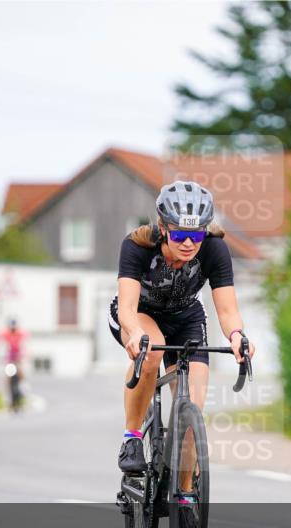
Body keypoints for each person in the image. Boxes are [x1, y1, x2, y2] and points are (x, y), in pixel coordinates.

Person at [108, 180, 256, 507]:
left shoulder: (215, 249)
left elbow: (228, 310)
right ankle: (132, 438)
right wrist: (134, 334)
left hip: (186, 317)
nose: (189, 243)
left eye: (197, 235)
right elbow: (128, 309)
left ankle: (184, 496)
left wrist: (236, 337)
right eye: (179, 235)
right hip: (140, 314)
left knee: (192, 412)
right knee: (152, 349)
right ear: (162, 229)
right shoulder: (136, 246)